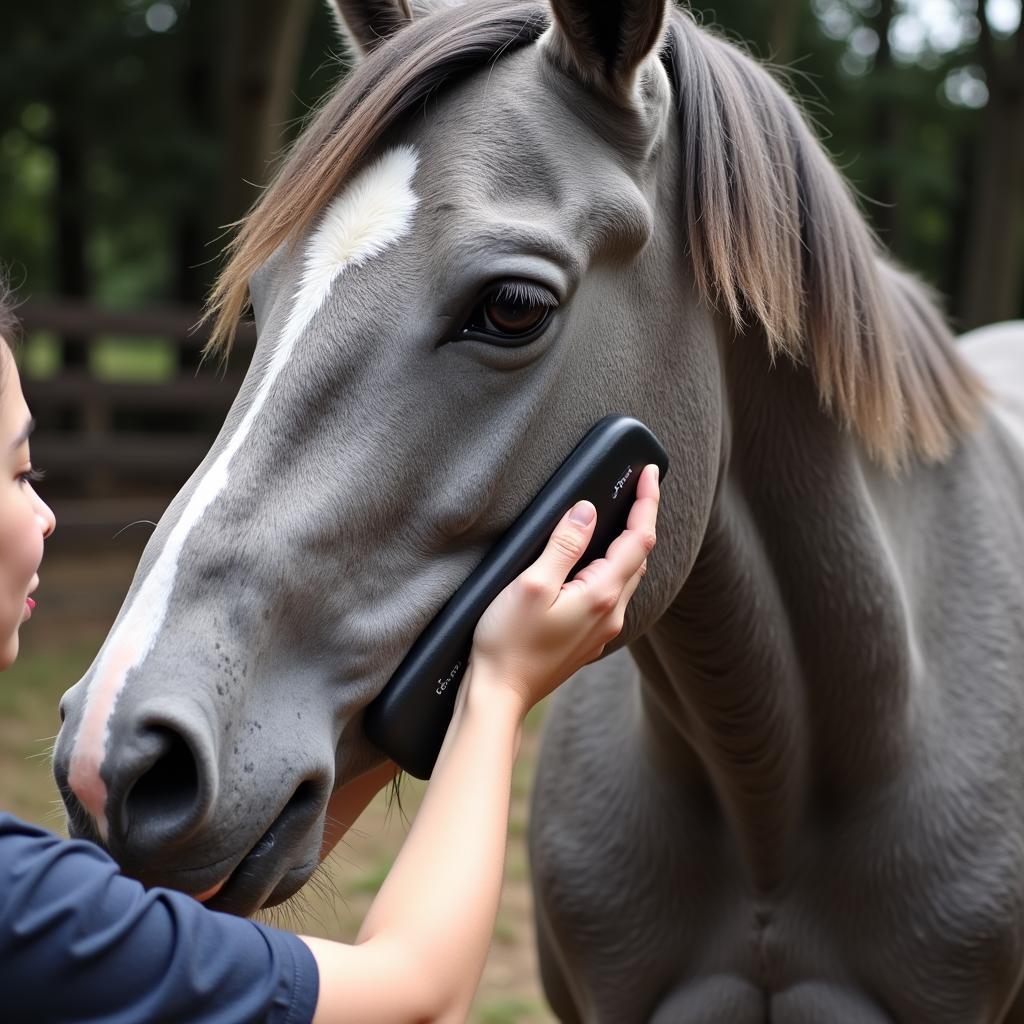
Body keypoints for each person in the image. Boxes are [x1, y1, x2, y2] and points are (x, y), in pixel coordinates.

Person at [0, 277, 661, 1023]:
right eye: (22, 472)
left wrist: (386, 725)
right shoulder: (18, 900)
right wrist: (498, 690)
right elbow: (419, 999)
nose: (47, 515)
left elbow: (163, 957)